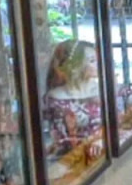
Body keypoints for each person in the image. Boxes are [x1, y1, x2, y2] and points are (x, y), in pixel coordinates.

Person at [44, 39, 105, 175]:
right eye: (92, 61)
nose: (98, 64)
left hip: (102, 154)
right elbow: (58, 138)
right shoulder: (56, 98)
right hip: (73, 160)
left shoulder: (104, 90)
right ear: (77, 66)